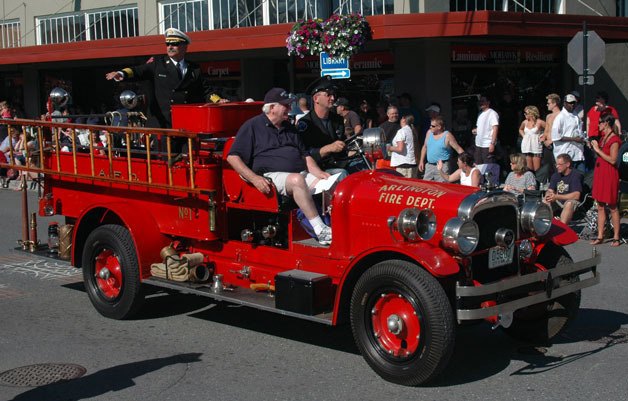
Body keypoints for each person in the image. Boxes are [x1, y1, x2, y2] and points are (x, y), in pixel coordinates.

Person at [226, 88, 333, 245]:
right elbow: (232, 157)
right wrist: (255, 179)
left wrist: (319, 173)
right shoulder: (253, 126)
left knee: (330, 182)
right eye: (286, 105)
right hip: (270, 176)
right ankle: (319, 229)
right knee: (297, 180)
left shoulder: (290, 127)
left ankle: (335, 225)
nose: (290, 109)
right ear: (272, 108)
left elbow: (305, 155)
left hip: (298, 173)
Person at [105, 28, 222, 130]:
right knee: (167, 156)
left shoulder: (194, 68)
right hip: (163, 125)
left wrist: (218, 100)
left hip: (187, 124)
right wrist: (121, 73)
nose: (170, 47)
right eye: (168, 44)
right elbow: (138, 71)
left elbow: (206, 90)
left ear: (185, 46)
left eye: (174, 44)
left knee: (187, 155)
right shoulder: (158, 64)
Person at [297, 76, 350, 175]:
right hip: (319, 169)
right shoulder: (305, 123)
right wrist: (328, 148)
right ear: (316, 98)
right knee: (342, 173)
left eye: (333, 95)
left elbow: (342, 144)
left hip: (340, 163)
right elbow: (305, 153)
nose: (333, 98)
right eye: (328, 95)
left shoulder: (337, 119)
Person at [590, 113, 622, 247]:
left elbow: (613, 160)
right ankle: (600, 235)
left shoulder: (614, 139)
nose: (598, 125)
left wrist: (597, 149)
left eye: (600, 123)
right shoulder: (603, 137)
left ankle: (616, 237)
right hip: (600, 173)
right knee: (600, 205)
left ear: (606, 123)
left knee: (613, 206)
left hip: (609, 173)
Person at [419, 116, 464, 182]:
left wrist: (466, 161)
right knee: (426, 187)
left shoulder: (447, 135)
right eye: (430, 125)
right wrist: (421, 161)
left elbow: (458, 149)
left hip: (442, 166)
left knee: (442, 188)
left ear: (439, 127)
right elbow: (425, 147)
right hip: (429, 165)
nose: (430, 127)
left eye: (433, 126)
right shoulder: (429, 133)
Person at [549, 94, 586, 173]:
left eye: (574, 103)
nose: (572, 104)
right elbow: (556, 137)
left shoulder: (576, 115)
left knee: (581, 177)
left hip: (578, 153)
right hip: (566, 155)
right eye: (570, 102)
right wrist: (574, 139)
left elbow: (578, 131)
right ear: (564, 103)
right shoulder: (560, 117)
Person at [543, 153, 583, 225]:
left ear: (567, 164)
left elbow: (576, 195)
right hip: (558, 200)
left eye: (559, 164)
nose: (557, 167)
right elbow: (550, 190)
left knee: (569, 203)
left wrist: (557, 196)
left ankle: (562, 227)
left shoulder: (575, 175)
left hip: (572, 202)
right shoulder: (555, 175)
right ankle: (546, 226)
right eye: (556, 164)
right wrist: (548, 195)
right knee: (545, 200)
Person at [472, 95, 499, 165]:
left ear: (488, 102)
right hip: (478, 144)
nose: (481, 103)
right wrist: (476, 130)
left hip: (487, 144)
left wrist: (492, 144)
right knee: (478, 166)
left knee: (488, 167)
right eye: (480, 101)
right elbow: (481, 127)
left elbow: (495, 129)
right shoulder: (480, 114)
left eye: (483, 101)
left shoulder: (493, 113)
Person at [518, 105, 545, 172]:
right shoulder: (524, 122)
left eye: (526, 113)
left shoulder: (540, 122)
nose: (525, 115)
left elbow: (549, 129)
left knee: (537, 169)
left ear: (532, 113)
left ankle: (538, 181)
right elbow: (520, 129)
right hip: (527, 145)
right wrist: (524, 136)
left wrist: (543, 136)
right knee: (529, 168)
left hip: (536, 145)